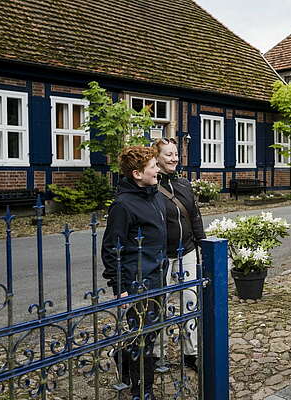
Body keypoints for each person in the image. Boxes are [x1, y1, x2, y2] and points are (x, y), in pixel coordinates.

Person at [102, 146, 167, 400]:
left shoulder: (155, 196)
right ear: (138, 174)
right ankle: (143, 391)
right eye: (153, 166)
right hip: (138, 281)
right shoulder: (123, 205)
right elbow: (110, 248)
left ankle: (122, 356)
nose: (158, 169)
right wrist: (121, 287)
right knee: (144, 338)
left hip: (158, 275)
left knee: (151, 331)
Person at [152, 137, 206, 372]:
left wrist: (202, 242)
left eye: (176, 154)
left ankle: (190, 352)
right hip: (161, 255)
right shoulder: (150, 186)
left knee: (189, 302)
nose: (174, 158)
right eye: (168, 155)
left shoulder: (184, 184)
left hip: (188, 251)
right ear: (156, 157)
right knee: (158, 304)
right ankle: (156, 354)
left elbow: (194, 215)